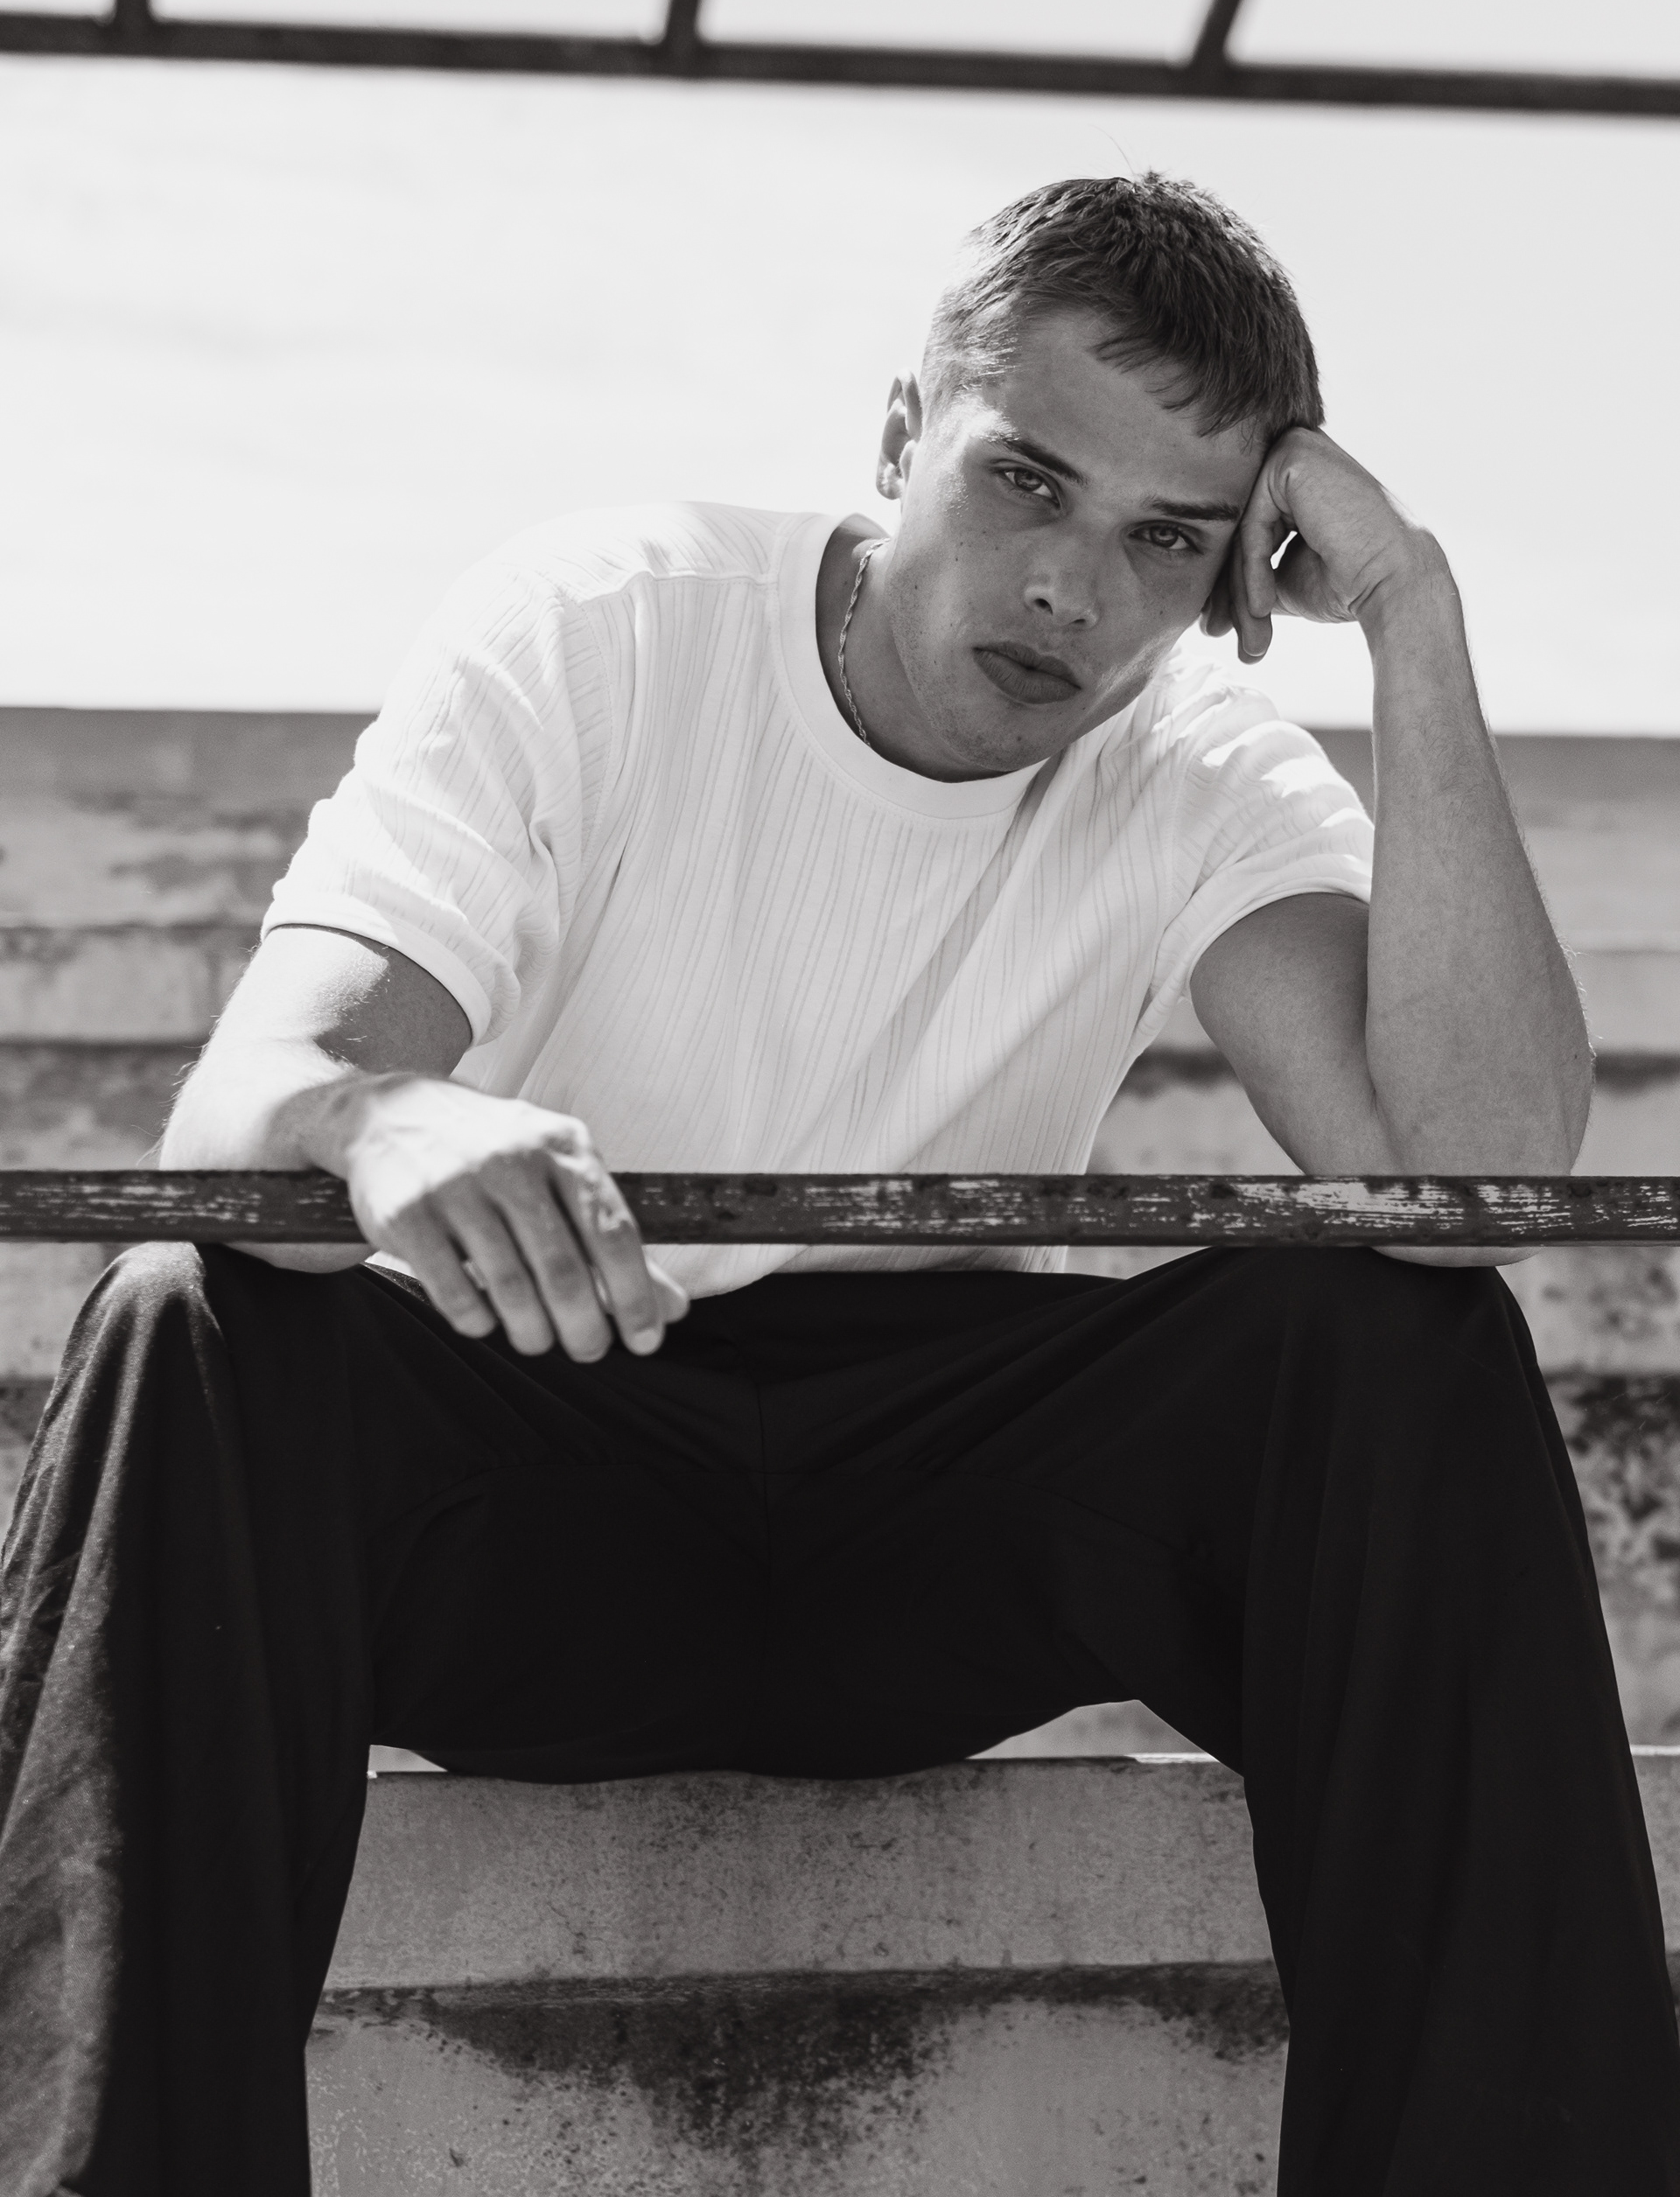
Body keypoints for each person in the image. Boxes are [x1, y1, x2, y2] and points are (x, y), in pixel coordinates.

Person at [1, 172, 1674, 2196]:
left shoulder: (1199, 762)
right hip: (557, 1475)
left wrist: (1412, 610)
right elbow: (243, 1107)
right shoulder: (607, 625)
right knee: (183, 1316)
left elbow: (1468, 1186)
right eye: (1027, 481)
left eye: (1167, 539)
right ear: (900, 436)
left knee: (1395, 1338)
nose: (1073, 591)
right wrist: (381, 1123)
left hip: (940, 1531)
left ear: (1239, 574)